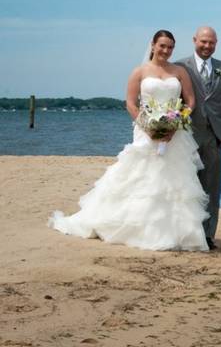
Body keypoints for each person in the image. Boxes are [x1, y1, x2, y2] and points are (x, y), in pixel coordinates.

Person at [49, 30, 209, 251]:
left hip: (175, 132)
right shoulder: (140, 71)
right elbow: (131, 103)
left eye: (170, 47)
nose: (165, 50)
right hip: (147, 131)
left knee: (175, 179)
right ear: (152, 45)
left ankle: (175, 232)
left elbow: (190, 101)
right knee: (143, 176)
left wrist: (177, 121)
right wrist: (148, 127)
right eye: (162, 45)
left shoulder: (179, 71)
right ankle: (135, 227)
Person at [178, 26, 221, 248]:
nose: (207, 46)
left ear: (216, 43)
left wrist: (218, 124)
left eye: (211, 42)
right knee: (187, 186)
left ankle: (208, 234)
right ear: (194, 40)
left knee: (211, 186)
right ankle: (187, 233)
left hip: (214, 135)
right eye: (203, 41)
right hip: (189, 134)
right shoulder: (181, 66)